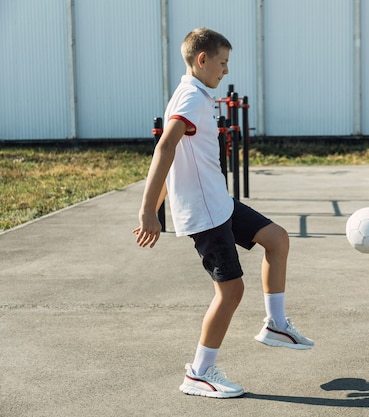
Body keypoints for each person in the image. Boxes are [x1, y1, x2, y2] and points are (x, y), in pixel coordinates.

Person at [133, 27, 313, 399]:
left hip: (219, 202)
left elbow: (177, 159)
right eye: (223, 63)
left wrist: (159, 206)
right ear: (203, 60)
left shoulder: (196, 94)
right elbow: (164, 149)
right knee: (231, 291)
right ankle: (199, 373)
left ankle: (276, 325)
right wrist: (149, 209)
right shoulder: (191, 98)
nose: (226, 71)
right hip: (206, 212)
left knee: (276, 239)